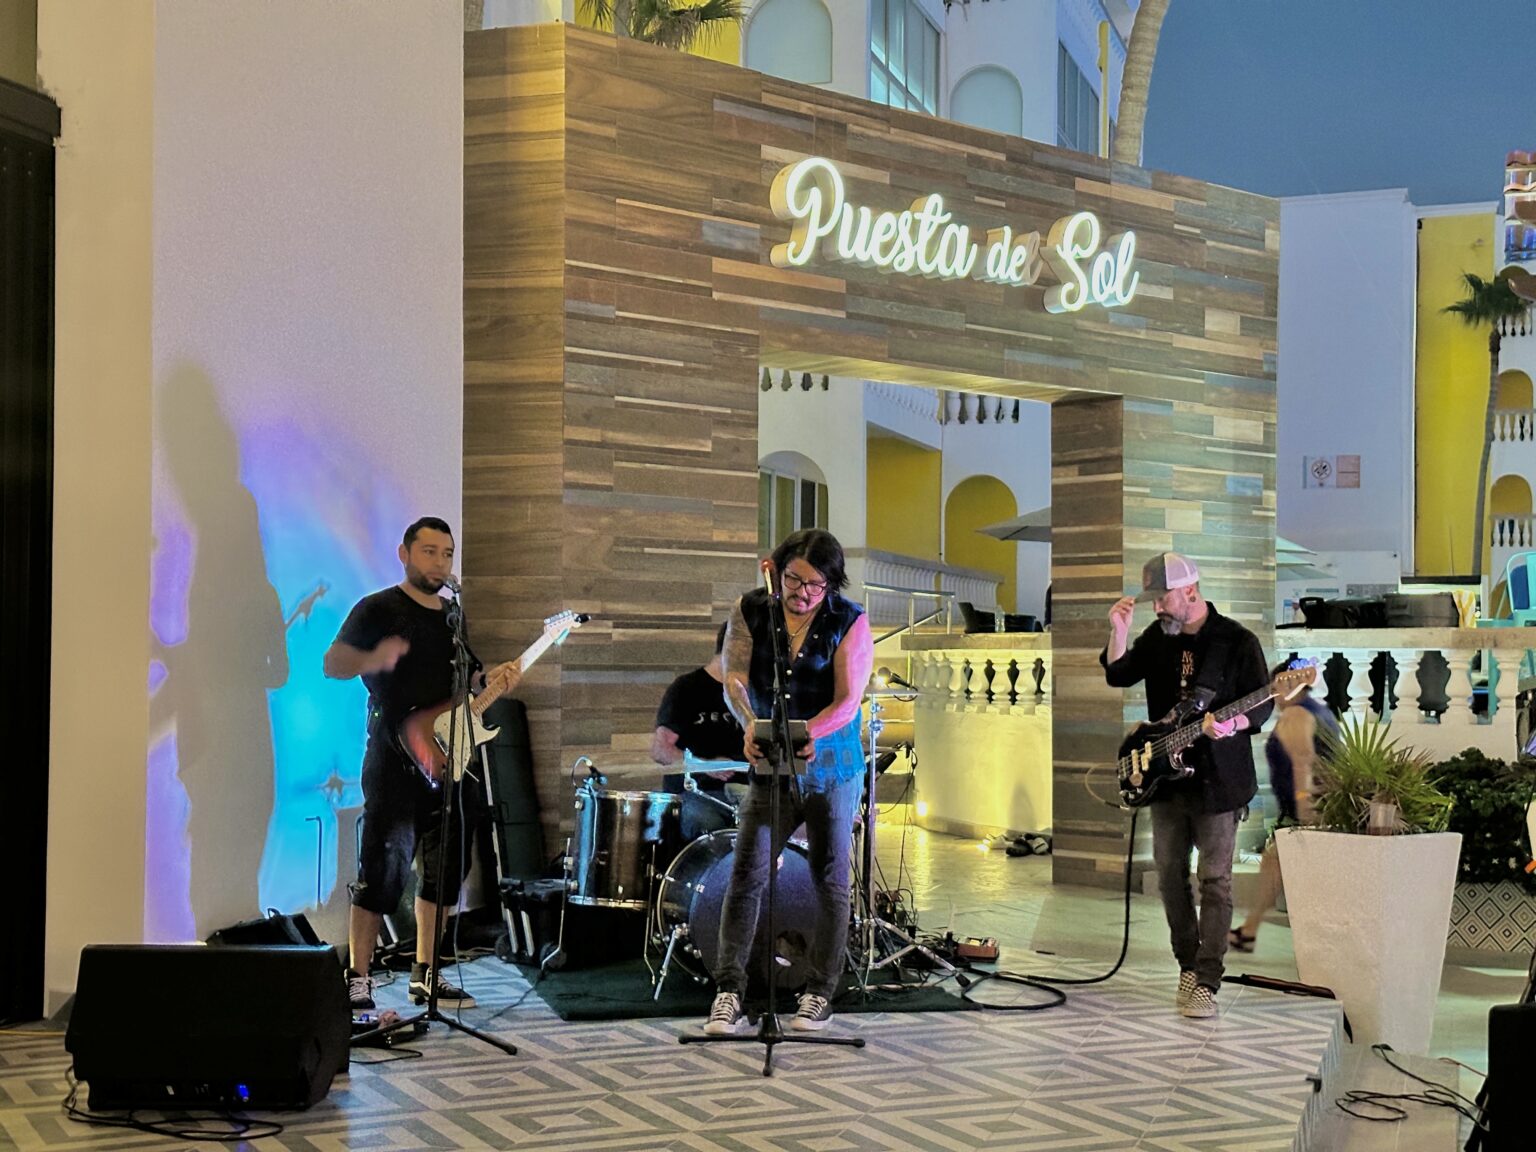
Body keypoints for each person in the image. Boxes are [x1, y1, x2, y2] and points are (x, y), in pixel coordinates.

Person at [324, 516, 520, 1012]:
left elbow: (466, 680)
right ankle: (358, 978)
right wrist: (375, 658)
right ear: (405, 554)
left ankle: (427, 973)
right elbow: (334, 663)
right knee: (382, 869)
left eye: (447, 553)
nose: (439, 562)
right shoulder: (377, 609)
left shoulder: (453, 616)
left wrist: (490, 680)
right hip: (394, 759)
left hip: (451, 759)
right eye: (429, 551)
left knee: (446, 869)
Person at [703, 529, 874, 1035]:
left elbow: (848, 701)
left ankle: (819, 992)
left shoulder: (849, 620)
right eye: (794, 580)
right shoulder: (750, 609)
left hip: (833, 767)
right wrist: (749, 723)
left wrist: (806, 733)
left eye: (816, 585)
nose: (802, 593)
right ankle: (729, 991)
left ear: (830, 585)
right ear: (775, 571)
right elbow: (734, 677)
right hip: (771, 762)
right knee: (747, 872)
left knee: (830, 879)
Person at [1102, 553, 1271, 1020]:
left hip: (1219, 781)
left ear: (1191, 591)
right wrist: (1118, 632)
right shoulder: (1159, 637)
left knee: (1214, 880)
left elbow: (1262, 704)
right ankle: (1187, 966)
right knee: (1169, 875)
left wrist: (1232, 724)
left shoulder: (1237, 641)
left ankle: (1208, 980)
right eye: (1154, 599)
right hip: (1165, 779)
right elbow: (1119, 673)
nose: (1157, 607)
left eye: (1164, 598)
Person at [1229, 660, 1337, 952]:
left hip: (1310, 810)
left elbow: (1304, 763)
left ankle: (1318, 941)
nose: (1274, 695)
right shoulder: (1317, 710)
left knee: (1284, 867)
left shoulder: (1297, 715)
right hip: (1315, 808)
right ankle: (1249, 930)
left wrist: (1304, 814)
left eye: (1277, 687)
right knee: (1273, 864)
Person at [651, 621, 748, 795]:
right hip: (698, 792)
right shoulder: (687, 688)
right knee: (704, 813)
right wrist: (705, 766)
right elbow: (661, 751)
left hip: (746, 791)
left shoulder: (753, 692)